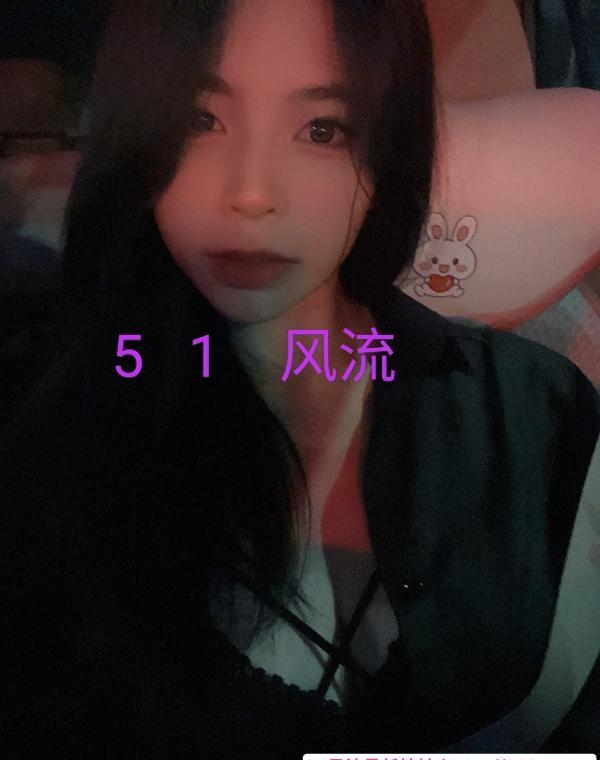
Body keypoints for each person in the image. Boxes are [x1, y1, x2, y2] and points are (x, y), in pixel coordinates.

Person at [1, 0, 598, 756]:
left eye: (322, 129)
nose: (252, 194)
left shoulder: (536, 411)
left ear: (389, 150)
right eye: (200, 120)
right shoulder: (55, 436)